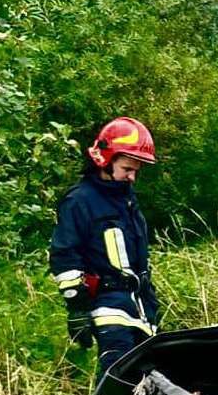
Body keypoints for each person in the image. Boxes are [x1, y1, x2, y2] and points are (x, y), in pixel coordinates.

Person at [49, 117, 160, 381]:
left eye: (136, 170)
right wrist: (77, 308)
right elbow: (64, 256)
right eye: (126, 169)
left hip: (142, 307)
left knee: (151, 381)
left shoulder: (126, 199)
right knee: (118, 379)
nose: (132, 176)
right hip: (108, 306)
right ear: (105, 161)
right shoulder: (79, 201)